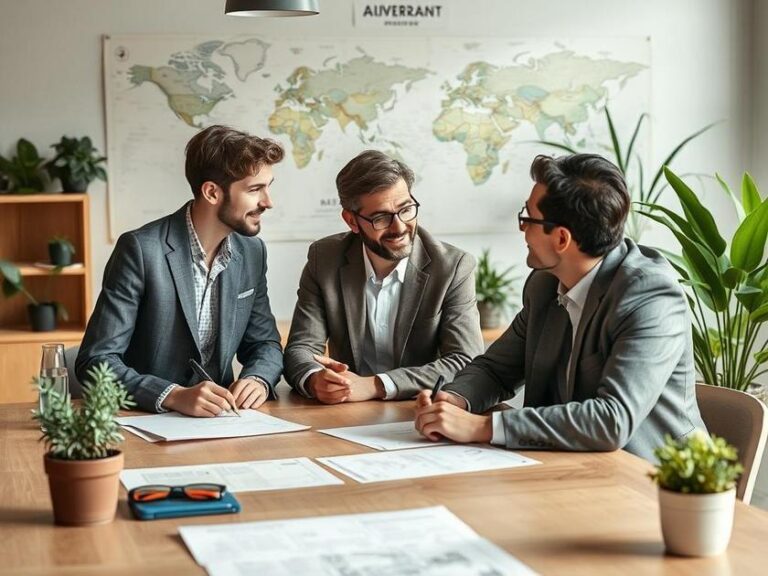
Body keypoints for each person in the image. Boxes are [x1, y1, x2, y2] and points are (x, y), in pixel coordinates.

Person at [415, 153, 706, 461]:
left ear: (562, 238)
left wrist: (483, 427)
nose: (522, 229)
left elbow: (612, 420)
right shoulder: (544, 284)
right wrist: (455, 400)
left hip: (656, 480)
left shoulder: (651, 297)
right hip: (569, 464)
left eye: (527, 219)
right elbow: (497, 369)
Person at [77, 125, 284, 417]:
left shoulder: (252, 252)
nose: (268, 202)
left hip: (223, 423)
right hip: (146, 422)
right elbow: (96, 361)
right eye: (254, 189)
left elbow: (264, 344)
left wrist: (258, 378)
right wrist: (172, 395)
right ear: (212, 192)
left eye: (268, 186)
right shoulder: (140, 250)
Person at [284, 150, 484, 403]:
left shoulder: (453, 267)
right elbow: (301, 348)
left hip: (417, 409)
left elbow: (465, 361)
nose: (399, 227)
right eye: (380, 217)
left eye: (406, 209)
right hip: (346, 411)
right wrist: (314, 379)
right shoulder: (324, 259)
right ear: (351, 221)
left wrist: (376, 385)